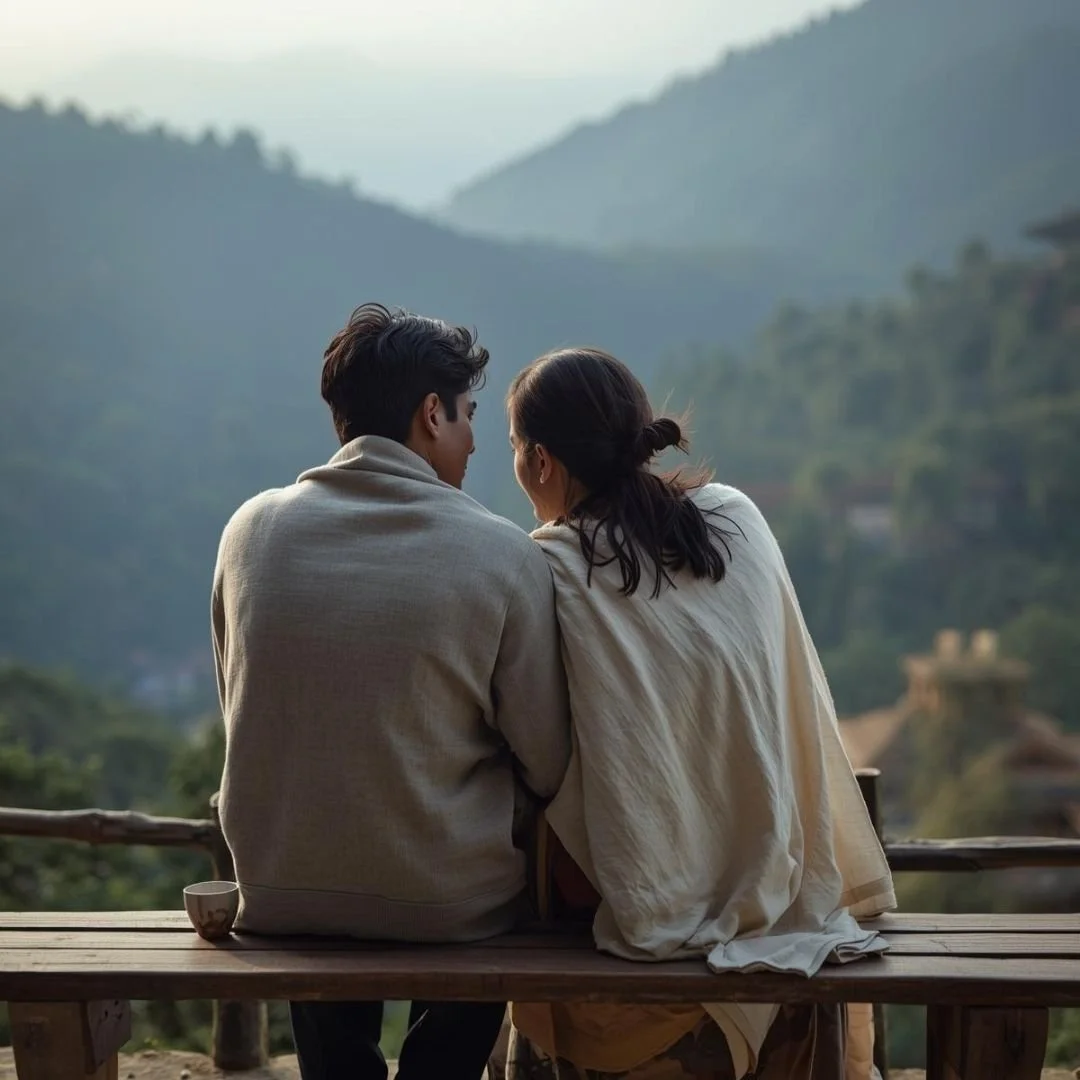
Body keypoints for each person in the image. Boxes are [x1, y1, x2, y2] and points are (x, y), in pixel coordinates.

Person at [504, 348, 896, 1080]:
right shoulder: (733, 516)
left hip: (652, 913)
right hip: (790, 893)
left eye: (515, 449)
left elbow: (542, 755)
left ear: (542, 462)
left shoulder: (550, 565)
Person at [211, 303, 571, 1080]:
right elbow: (549, 762)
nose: (476, 439)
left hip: (280, 890)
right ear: (430, 413)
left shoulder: (250, 532)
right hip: (449, 902)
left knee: (323, 856)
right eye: (470, 414)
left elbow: (247, 707)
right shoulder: (501, 554)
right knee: (473, 887)